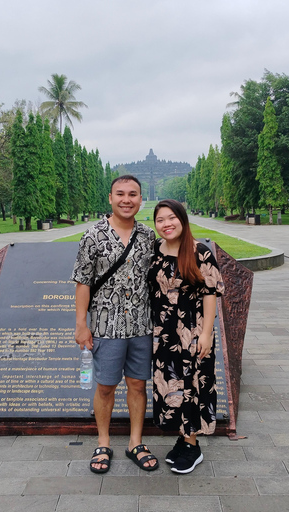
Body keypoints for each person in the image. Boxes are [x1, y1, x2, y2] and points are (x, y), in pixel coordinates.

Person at [72, 175, 159, 474]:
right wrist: (81, 324)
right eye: (120, 194)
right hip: (106, 326)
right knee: (106, 386)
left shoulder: (148, 236)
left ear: (140, 199)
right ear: (110, 198)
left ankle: (135, 441)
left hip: (140, 324)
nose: (126, 200)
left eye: (133, 194)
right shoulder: (93, 235)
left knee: (137, 384)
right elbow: (82, 282)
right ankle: (104, 441)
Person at [147, 199, 225, 474]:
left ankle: (193, 445)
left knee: (192, 385)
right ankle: (183, 436)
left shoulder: (198, 252)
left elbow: (211, 293)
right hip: (163, 334)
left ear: (182, 219)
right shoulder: (155, 250)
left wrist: (206, 334)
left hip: (192, 333)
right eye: (160, 220)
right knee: (170, 383)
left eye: (171, 218)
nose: (166, 224)